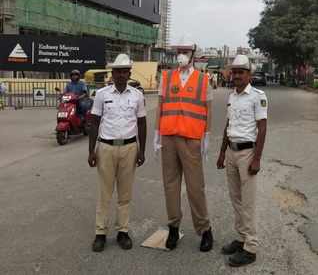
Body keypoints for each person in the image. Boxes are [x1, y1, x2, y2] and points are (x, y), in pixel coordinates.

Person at [153, 45, 214, 252]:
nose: (182, 55)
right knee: (170, 185)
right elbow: (160, 105)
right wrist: (156, 134)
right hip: (169, 136)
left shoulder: (203, 79)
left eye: (186, 51)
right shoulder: (167, 77)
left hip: (191, 139)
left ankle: (205, 229)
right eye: (180, 50)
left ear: (193, 54)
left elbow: (208, 109)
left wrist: (206, 136)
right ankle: (173, 227)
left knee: (195, 187)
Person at [88, 54, 147, 252]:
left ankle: (123, 231)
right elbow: (94, 122)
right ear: (112, 73)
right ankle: (100, 233)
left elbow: (142, 123)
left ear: (129, 73)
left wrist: (142, 150)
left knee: (125, 194)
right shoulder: (102, 94)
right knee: (104, 193)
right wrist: (91, 151)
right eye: (118, 71)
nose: (121, 75)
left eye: (124, 71)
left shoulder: (137, 95)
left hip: (130, 148)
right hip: (106, 147)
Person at [217, 55, 268, 267]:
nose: (236, 75)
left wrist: (257, 158)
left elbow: (262, 127)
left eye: (241, 72)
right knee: (236, 199)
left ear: (249, 74)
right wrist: (221, 153)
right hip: (231, 152)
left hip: (247, 154)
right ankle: (241, 238)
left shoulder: (257, 96)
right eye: (234, 71)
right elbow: (228, 126)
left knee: (248, 202)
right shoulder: (232, 96)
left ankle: (251, 248)